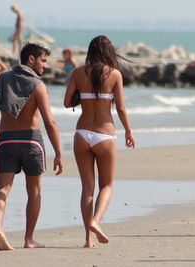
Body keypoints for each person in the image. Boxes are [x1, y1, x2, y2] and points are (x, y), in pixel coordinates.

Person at [0, 43, 63, 251]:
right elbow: (50, 122)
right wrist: (58, 152)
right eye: (43, 60)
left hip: (7, 141)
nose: (45, 66)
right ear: (31, 59)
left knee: (2, 188)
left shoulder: (2, 79)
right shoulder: (38, 86)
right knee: (34, 192)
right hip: (31, 141)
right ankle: (29, 239)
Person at [63, 35, 136, 248]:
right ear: (109, 52)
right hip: (104, 134)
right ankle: (96, 221)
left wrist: (82, 95)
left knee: (87, 189)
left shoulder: (78, 72)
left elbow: (67, 102)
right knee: (106, 185)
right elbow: (121, 108)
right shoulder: (115, 74)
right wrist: (129, 131)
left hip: (82, 134)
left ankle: (88, 239)